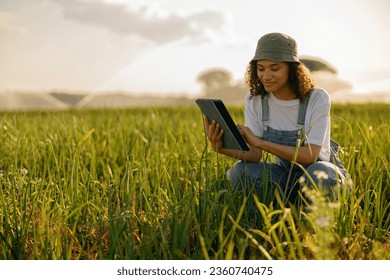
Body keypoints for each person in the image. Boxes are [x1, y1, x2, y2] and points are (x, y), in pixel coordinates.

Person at [204, 32, 352, 203]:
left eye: (274, 68)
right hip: (286, 177)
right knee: (239, 172)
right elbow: (254, 155)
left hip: (323, 174)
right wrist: (220, 148)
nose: (266, 76)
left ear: (292, 69)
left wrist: (260, 142)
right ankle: (289, 204)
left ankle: (312, 215)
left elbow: (310, 155)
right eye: (261, 69)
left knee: (319, 174)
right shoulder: (255, 100)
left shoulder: (317, 98)